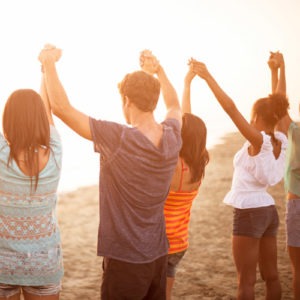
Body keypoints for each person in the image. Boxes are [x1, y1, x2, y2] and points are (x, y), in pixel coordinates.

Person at [38, 46, 182, 300]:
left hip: (125, 259)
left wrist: (48, 62)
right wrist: (158, 71)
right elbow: (174, 104)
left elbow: (61, 108)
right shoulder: (171, 135)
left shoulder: (119, 138)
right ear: (152, 101)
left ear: (126, 100)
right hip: (158, 255)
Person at [191, 58, 289, 299]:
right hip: (268, 211)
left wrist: (208, 77)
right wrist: (276, 72)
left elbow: (230, 108)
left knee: (245, 281)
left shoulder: (259, 142)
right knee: (272, 276)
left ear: (255, 117)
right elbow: (278, 102)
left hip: (249, 212)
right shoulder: (282, 139)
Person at [0, 56, 63, 298]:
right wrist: (47, 69)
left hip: (4, 264)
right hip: (44, 263)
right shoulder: (55, 150)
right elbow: (46, 112)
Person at [164, 59, 209, 300]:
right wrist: (186, 84)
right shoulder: (199, 163)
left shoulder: (171, 165)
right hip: (179, 243)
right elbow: (188, 120)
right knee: (166, 295)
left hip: (160, 244)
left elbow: (184, 121)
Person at [268, 51, 300, 300]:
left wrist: (279, 70)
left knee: (297, 270)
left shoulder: (295, 132)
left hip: (296, 202)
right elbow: (278, 105)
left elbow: (277, 106)